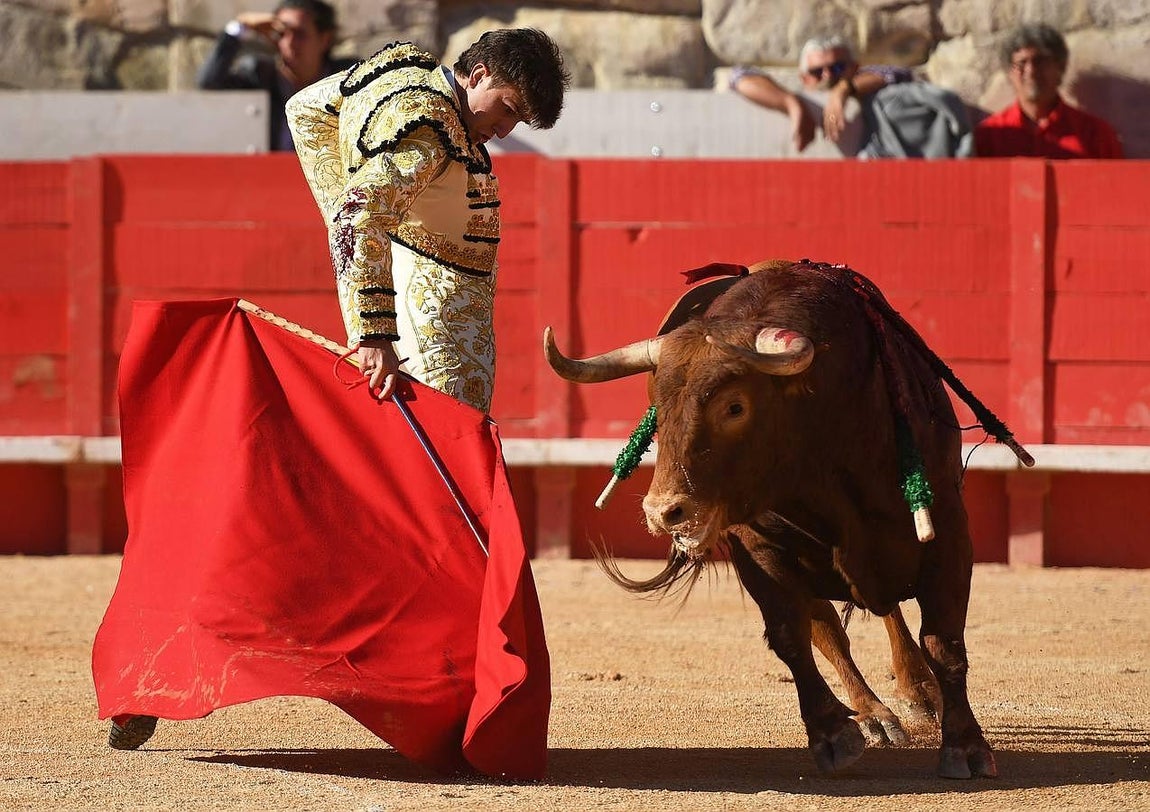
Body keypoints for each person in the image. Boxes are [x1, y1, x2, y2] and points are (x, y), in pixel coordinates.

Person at [286, 28, 570, 413]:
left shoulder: (405, 73)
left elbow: (305, 108)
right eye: (507, 109)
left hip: (429, 327)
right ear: (479, 74)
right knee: (443, 459)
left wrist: (341, 198)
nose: (505, 130)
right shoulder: (431, 133)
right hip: (432, 345)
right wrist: (373, 333)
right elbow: (356, 216)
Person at [730, 36, 972, 159]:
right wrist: (791, 105)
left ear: (854, 68)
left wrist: (842, 90)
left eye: (836, 68)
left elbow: (898, 74)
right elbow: (739, 76)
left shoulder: (865, 89)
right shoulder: (795, 93)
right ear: (804, 78)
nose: (827, 75)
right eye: (817, 71)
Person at [197, 0, 358, 151]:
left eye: (299, 34)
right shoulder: (260, 75)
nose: (289, 43)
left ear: (325, 39)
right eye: (281, 34)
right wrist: (240, 27)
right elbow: (210, 82)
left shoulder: (350, 80)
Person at [973, 23, 1123, 159]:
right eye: (1021, 63)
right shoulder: (989, 135)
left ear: (1060, 67)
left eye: (1040, 61)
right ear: (1009, 73)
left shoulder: (1095, 134)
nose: (1031, 71)